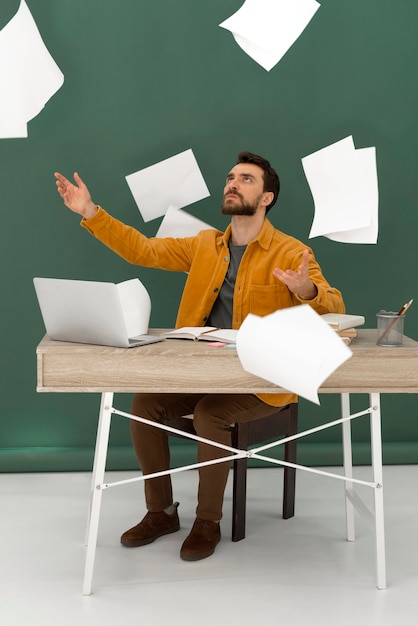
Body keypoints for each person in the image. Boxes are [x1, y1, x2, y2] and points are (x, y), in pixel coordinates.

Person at [55, 151, 345, 562]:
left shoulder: (291, 252)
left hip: (264, 383)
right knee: (144, 405)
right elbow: (144, 250)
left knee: (211, 414)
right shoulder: (205, 245)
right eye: (230, 177)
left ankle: (207, 520)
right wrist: (90, 212)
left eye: (246, 179)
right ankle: (161, 513)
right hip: (203, 374)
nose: (232, 183)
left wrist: (305, 291)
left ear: (267, 197)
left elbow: (335, 304)